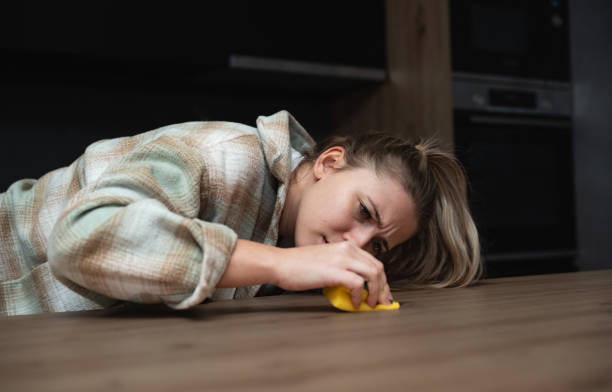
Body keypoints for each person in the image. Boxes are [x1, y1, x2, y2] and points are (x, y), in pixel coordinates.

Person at [0, 110, 483, 315]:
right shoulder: (225, 154)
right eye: (363, 211)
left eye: (378, 244)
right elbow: (84, 238)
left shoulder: (285, 226)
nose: (354, 243)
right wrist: (284, 265)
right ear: (329, 163)